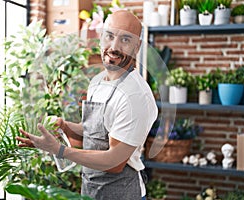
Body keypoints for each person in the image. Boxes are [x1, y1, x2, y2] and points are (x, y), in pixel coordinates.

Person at [16, 10, 158, 200]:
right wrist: (65, 127)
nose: (114, 47)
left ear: (137, 46)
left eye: (125, 40)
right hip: (91, 192)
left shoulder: (135, 96)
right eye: (109, 36)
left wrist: (59, 150)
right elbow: (94, 131)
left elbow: (114, 162)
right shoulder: (98, 82)